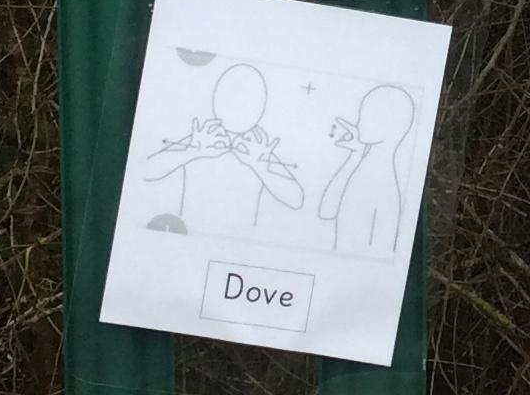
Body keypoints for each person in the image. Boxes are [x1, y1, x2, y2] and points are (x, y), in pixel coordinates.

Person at [143, 61, 304, 236]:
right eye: (232, 98)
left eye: (248, 100)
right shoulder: (206, 135)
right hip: (189, 233)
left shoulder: (256, 146)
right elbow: (145, 171)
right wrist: (193, 152)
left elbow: (296, 199)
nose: (238, 106)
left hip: (241, 239)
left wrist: (259, 167)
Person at [320, 83, 414, 254]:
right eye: (362, 114)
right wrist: (354, 156)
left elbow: (381, 251)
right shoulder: (361, 167)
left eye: (371, 116)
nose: (359, 123)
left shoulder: (384, 187)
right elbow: (326, 211)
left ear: (391, 126)